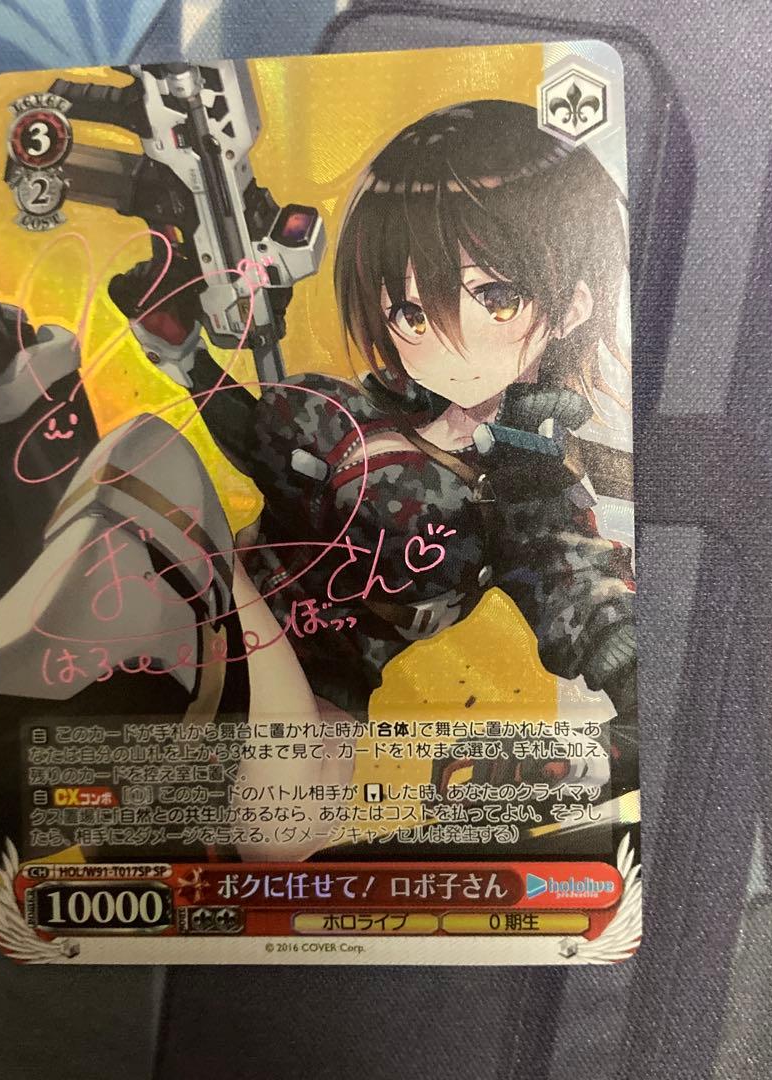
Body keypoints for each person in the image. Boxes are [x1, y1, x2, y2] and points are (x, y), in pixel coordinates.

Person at [113, 99, 638, 857]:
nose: (448, 336)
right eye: (411, 311)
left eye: (496, 297)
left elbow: (574, 580)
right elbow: (257, 442)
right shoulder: (351, 410)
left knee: (280, 833)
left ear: (574, 305)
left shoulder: (523, 479)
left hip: (325, 677)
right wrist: (183, 351)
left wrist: (632, 682)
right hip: (211, 598)